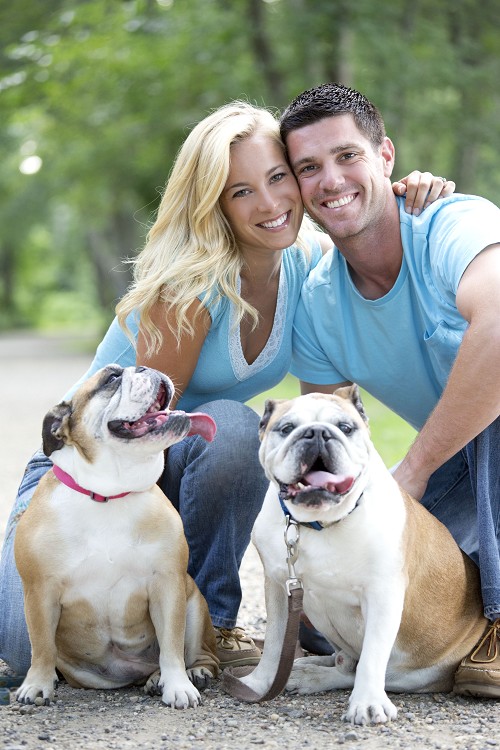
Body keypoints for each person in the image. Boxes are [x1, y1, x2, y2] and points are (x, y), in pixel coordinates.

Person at [0, 100, 453, 677]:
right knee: (22, 654)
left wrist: (407, 193)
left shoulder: (311, 263)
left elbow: (326, 414)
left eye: (278, 177)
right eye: (241, 192)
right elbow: (136, 435)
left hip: (176, 465)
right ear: (214, 204)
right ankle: (192, 624)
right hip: (87, 472)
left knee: (231, 432)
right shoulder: (187, 287)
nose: (269, 203)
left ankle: (210, 626)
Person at [279, 82, 500, 697]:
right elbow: (322, 439)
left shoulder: (451, 223)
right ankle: (468, 615)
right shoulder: (318, 303)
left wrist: (415, 470)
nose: (330, 180)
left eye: (347, 155)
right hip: (468, 477)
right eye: (308, 168)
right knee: (336, 608)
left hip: (476, 454)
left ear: (385, 156)